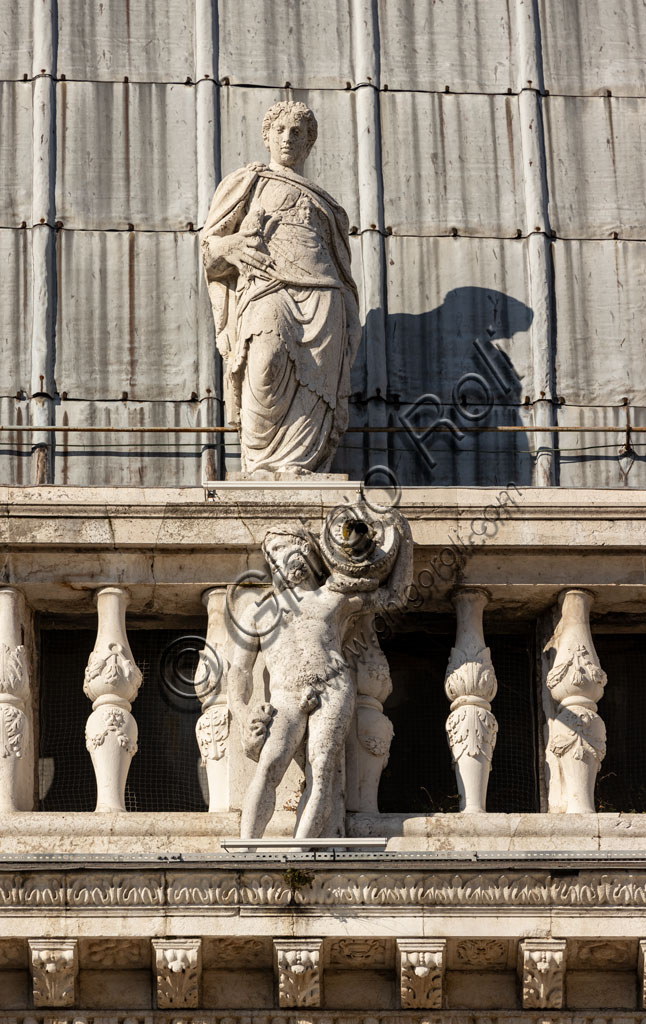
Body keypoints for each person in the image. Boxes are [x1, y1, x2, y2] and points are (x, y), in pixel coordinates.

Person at [201, 101, 361, 476]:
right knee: (266, 361)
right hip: (267, 289)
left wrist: (351, 317)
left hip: (324, 297)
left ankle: (301, 464)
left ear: (308, 144)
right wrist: (233, 246)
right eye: (281, 131)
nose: (288, 138)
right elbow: (210, 249)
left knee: (318, 383)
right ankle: (261, 464)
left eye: (298, 133)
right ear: (267, 137)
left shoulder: (327, 204)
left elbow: (342, 267)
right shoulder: (248, 182)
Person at [228, 517, 413, 839]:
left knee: (323, 764)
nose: (278, 558)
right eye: (271, 552)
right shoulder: (259, 612)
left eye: (283, 547)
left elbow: (395, 597)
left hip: (332, 687)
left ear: (306, 550)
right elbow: (239, 671)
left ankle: (303, 853)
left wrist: (404, 540)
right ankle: (247, 847)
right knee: (270, 764)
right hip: (285, 695)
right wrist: (243, 715)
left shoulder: (334, 597)